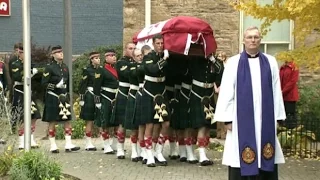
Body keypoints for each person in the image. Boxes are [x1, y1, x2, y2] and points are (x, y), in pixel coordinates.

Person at [214, 26, 286, 180]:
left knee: (264, 153)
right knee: (240, 154)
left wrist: (278, 118)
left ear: (260, 40)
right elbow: (227, 92)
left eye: (256, 37)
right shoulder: (233, 63)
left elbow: (276, 90)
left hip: (264, 118)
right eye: (249, 37)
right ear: (243, 40)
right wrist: (228, 119)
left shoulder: (271, 62)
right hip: (241, 121)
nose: (253, 40)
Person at [42, 45, 80, 153]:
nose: (61, 54)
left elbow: (67, 83)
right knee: (53, 121)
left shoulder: (65, 67)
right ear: (53, 55)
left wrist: (67, 94)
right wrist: (55, 86)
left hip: (63, 97)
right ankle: (53, 145)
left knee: (67, 120)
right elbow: (43, 83)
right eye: (58, 52)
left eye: (61, 52)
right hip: (53, 97)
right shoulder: (49, 67)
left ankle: (68, 144)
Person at [188, 52, 223, 166]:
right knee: (198, 125)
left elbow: (221, 73)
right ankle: (193, 152)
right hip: (197, 94)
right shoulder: (195, 59)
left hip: (208, 96)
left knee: (207, 125)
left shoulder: (215, 61)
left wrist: (213, 60)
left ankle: (202, 153)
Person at [141, 34, 170, 167]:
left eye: (162, 43)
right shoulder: (148, 57)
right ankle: (149, 153)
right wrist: (164, 60)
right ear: (153, 44)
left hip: (161, 92)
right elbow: (152, 69)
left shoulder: (166, 56)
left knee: (166, 123)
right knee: (150, 125)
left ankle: (159, 150)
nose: (160, 45)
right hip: (149, 92)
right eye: (158, 43)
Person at [11, 46, 41, 149]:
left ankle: (31, 138)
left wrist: (34, 73)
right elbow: (17, 77)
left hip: (29, 92)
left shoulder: (30, 64)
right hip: (20, 91)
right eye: (23, 53)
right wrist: (29, 74)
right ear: (20, 53)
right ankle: (21, 141)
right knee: (21, 117)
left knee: (34, 116)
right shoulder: (16, 64)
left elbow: (38, 77)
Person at [111, 42, 135, 159]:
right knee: (122, 122)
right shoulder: (121, 63)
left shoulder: (136, 62)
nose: (133, 50)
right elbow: (126, 73)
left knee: (136, 123)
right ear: (125, 50)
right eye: (130, 48)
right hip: (124, 92)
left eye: (134, 48)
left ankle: (137, 150)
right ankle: (120, 148)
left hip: (135, 93)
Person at [93, 49, 119, 154]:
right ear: (106, 58)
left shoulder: (116, 69)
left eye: (115, 55)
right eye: (111, 55)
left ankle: (115, 144)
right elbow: (96, 86)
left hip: (115, 97)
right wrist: (97, 101)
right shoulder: (101, 70)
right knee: (105, 122)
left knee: (116, 121)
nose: (114, 57)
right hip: (105, 97)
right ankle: (106, 145)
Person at [79, 51, 101, 151]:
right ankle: (88, 142)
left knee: (102, 118)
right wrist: (82, 98)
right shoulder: (87, 70)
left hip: (99, 95)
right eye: (96, 58)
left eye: (99, 58)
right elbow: (82, 85)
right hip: (90, 96)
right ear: (91, 60)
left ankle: (105, 141)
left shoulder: (101, 70)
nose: (98, 60)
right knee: (90, 120)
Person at [124, 48, 143, 162]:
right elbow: (134, 73)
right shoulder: (131, 66)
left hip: (143, 94)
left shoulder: (144, 65)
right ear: (133, 57)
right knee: (133, 126)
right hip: (134, 94)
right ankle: (134, 150)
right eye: (137, 56)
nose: (140, 57)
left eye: (141, 55)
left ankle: (141, 149)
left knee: (142, 125)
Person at [136, 45, 151, 164]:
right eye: (144, 54)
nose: (145, 56)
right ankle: (143, 150)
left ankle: (149, 149)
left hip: (151, 93)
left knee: (151, 124)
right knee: (142, 124)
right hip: (142, 93)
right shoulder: (140, 66)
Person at [280, 60, 299, 129]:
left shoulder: (294, 67)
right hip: (281, 95)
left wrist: (283, 90)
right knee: (281, 115)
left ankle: (291, 131)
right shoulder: (282, 67)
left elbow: (293, 81)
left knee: (290, 115)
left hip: (290, 95)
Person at [215, 51, 227, 139]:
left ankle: (224, 132)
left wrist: (222, 87)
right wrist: (215, 88)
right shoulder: (215, 67)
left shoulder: (226, 66)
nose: (220, 57)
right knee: (217, 111)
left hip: (224, 89)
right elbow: (213, 78)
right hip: (216, 89)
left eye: (221, 56)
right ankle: (218, 132)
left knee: (224, 110)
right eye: (218, 56)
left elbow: (226, 78)